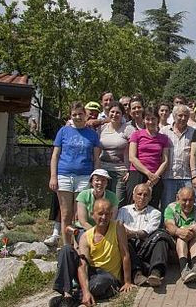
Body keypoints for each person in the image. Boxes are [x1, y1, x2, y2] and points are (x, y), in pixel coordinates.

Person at [50, 199, 133, 307]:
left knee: (101, 283)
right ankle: (68, 295)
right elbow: (83, 264)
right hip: (91, 273)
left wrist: (127, 281)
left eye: (107, 214)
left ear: (111, 214)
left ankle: (72, 299)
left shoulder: (118, 227)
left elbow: (125, 254)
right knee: (66, 249)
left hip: (108, 276)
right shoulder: (86, 236)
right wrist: (85, 291)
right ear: (92, 215)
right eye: (100, 214)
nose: (104, 217)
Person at [49, 101, 101, 245]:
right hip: (64, 175)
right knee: (66, 214)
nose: (77, 117)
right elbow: (55, 156)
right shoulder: (63, 131)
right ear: (70, 116)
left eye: (80, 114)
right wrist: (53, 176)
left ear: (85, 115)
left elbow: (96, 158)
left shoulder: (92, 134)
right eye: (74, 115)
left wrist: (94, 177)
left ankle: (79, 246)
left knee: (79, 215)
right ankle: (66, 247)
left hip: (84, 177)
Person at [117, 183, 170, 287]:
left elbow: (146, 232)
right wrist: (127, 233)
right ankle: (137, 274)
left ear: (150, 198)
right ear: (133, 196)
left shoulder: (155, 213)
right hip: (129, 245)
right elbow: (118, 227)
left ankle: (156, 273)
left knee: (162, 238)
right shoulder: (123, 210)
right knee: (124, 241)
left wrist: (131, 233)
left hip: (146, 246)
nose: (142, 197)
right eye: (139, 194)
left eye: (146, 195)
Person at [164, 187, 196, 284]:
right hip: (176, 249)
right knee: (181, 236)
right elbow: (169, 225)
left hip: (195, 245)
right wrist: (179, 231)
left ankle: (195, 265)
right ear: (178, 199)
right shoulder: (170, 208)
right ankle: (184, 268)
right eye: (184, 200)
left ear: (195, 199)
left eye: (191, 200)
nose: (188, 204)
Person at [127, 106, 170, 208]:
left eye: (153, 119)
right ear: (144, 120)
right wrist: (148, 173)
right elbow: (132, 157)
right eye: (147, 119)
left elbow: (165, 160)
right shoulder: (136, 135)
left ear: (158, 120)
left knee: (152, 206)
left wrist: (155, 176)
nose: (150, 122)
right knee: (133, 205)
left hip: (155, 176)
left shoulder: (164, 138)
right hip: (137, 173)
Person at [98, 102, 134, 204]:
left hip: (121, 171)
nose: (114, 115)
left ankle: (115, 220)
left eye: (118, 112)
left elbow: (134, 151)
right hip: (103, 170)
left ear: (122, 115)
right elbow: (97, 149)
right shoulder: (102, 129)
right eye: (112, 112)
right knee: (103, 202)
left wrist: (129, 170)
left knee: (117, 202)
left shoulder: (128, 129)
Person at [160, 104, 195, 207]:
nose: (183, 118)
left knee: (187, 206)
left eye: (186, 116)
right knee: (167, 206)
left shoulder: (193, 132)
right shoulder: (164, 131)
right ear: (174, 116)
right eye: (180, 115)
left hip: (186, 176)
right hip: (168, 176)